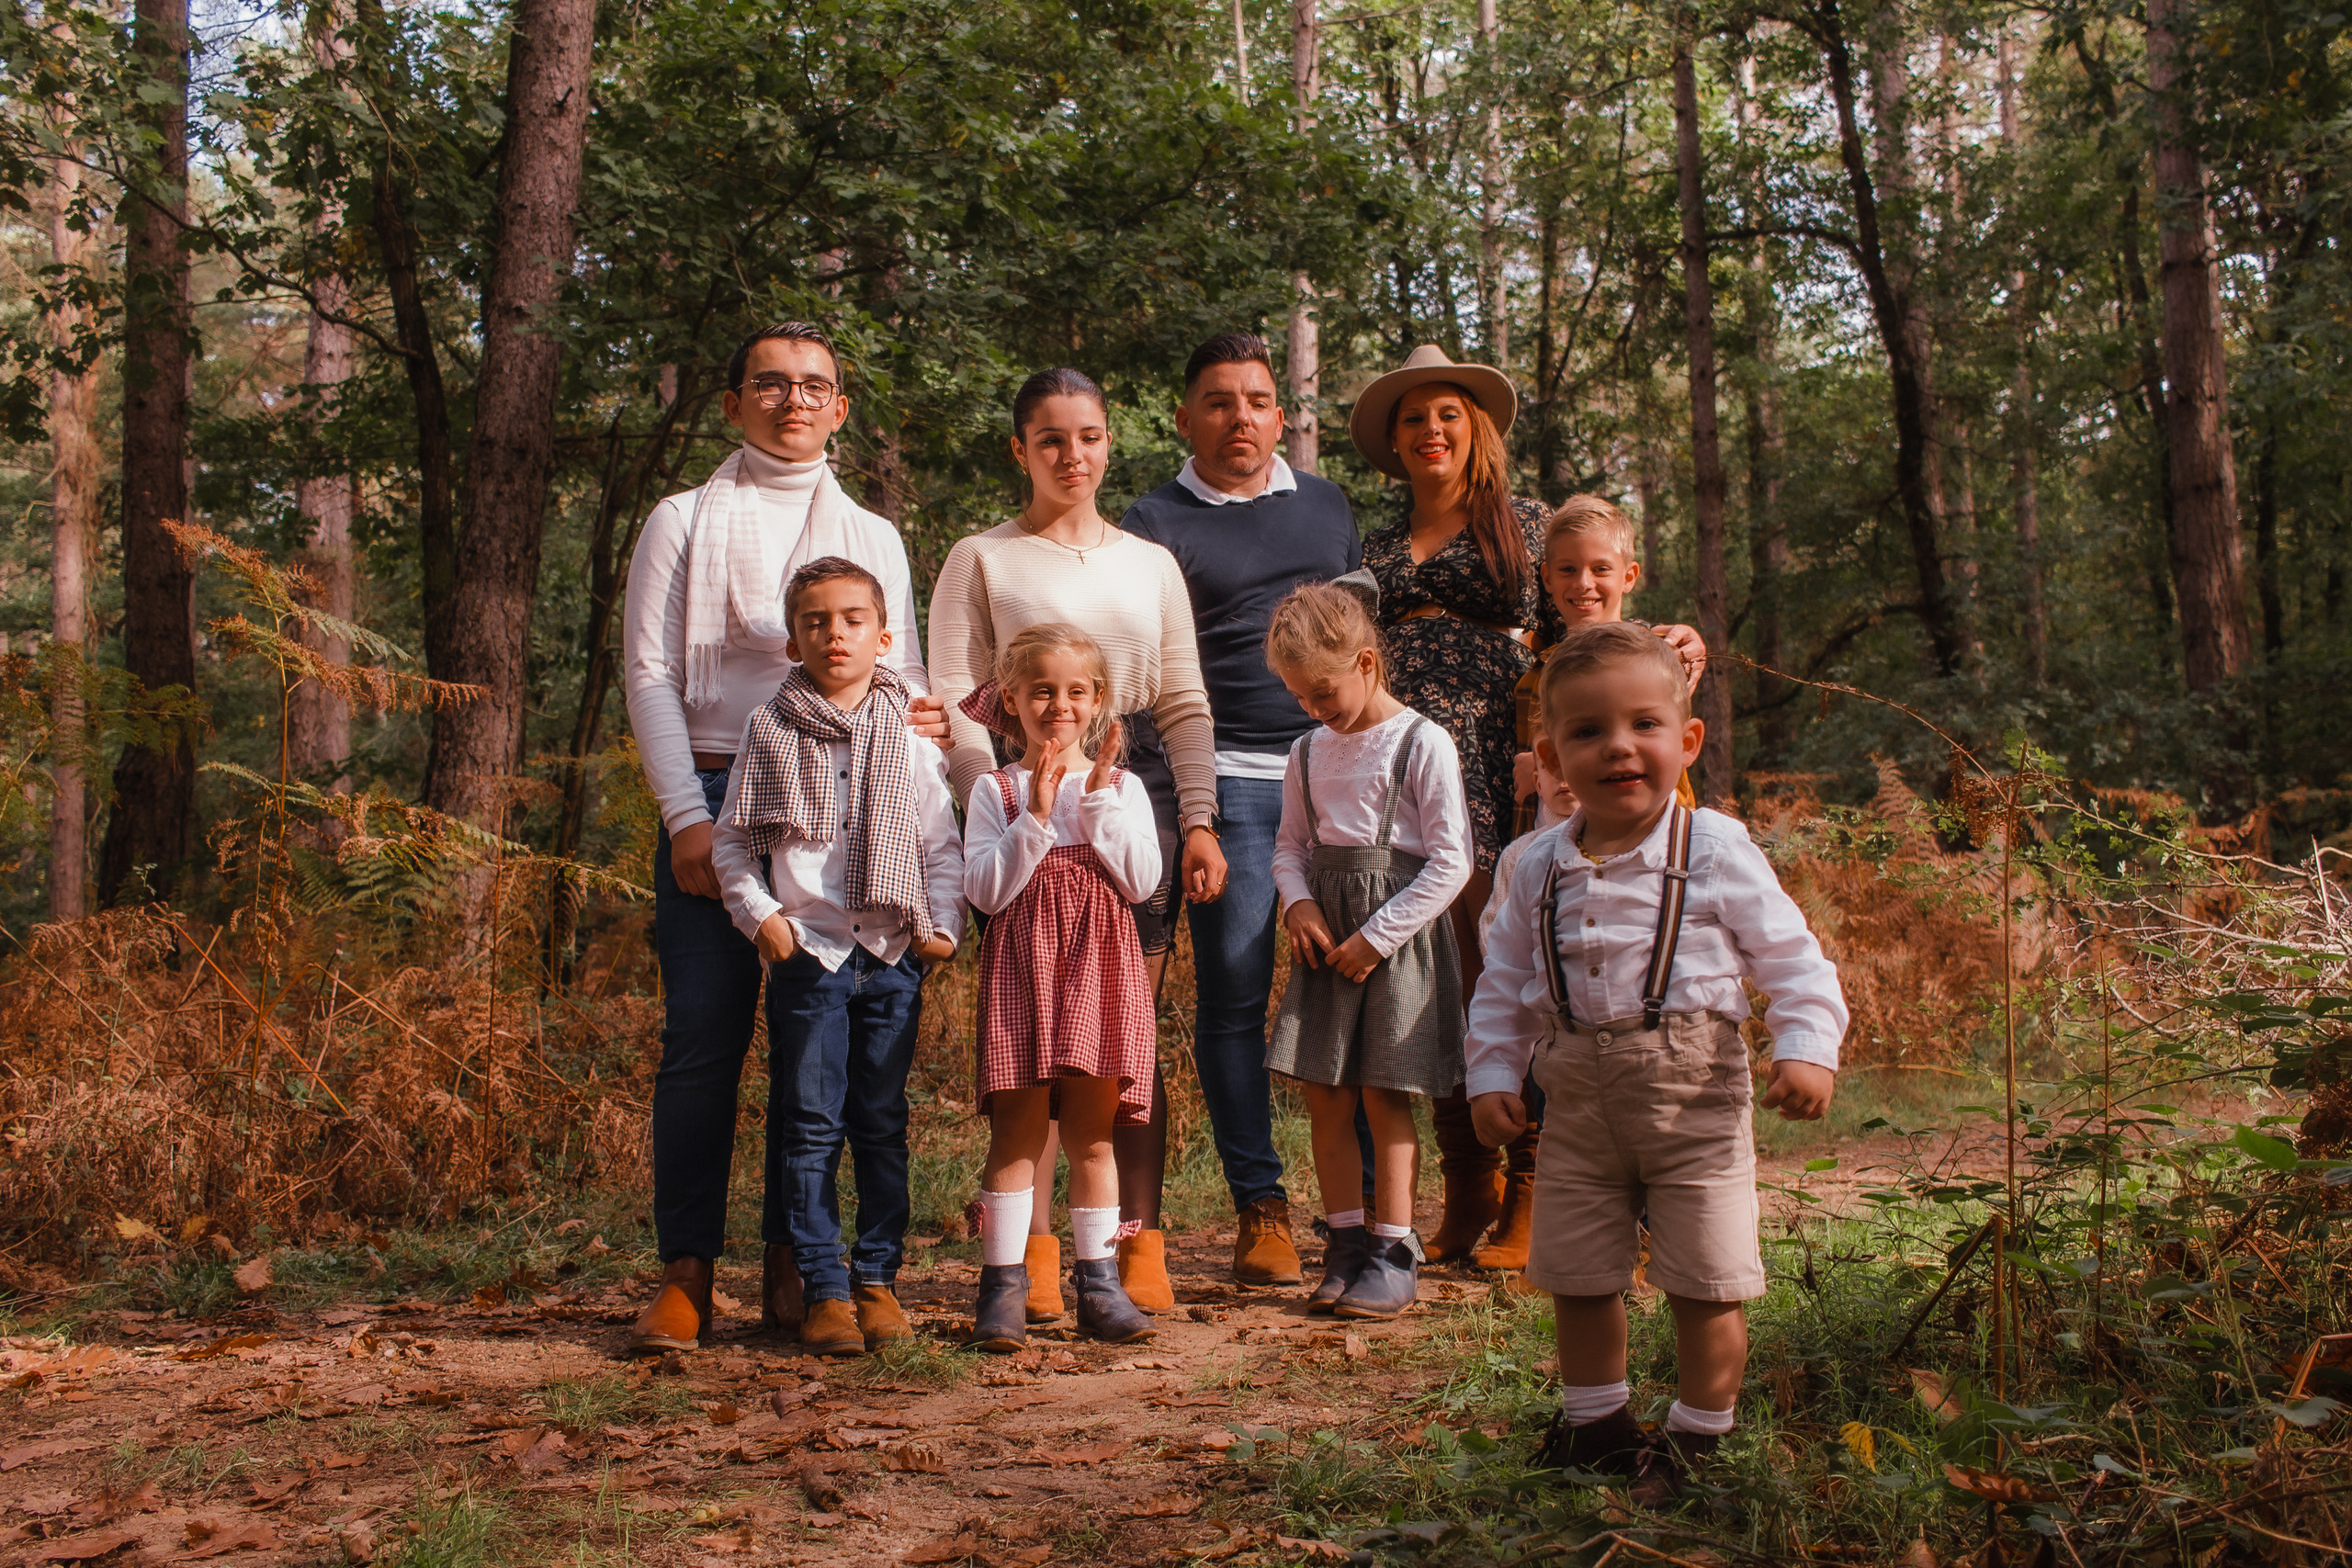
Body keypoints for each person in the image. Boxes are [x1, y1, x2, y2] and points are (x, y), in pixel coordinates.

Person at [622, 321, 949, 1355]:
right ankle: (686, 1271)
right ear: (734, 403)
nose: (793, 398)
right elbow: (650, 675)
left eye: (814, 385)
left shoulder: (873, 534)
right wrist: (686, 813)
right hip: (721, 788)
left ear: (839, 408)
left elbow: (902, 675)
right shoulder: (682, 519)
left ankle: (797, 1266)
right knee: (704, 1042)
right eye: (770, 382)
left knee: (817, 1053)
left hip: (850, 805)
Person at [1465, 623, 1847, 1494]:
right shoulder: (1535, 864)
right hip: (1576, 1104)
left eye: (1644, 724)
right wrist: (1490, 1074)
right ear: (1552, 756)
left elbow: (1793, 959)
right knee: (1578, 1272)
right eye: (1588, 730)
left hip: (1693, 1096)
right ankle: (1597, 1426)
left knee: (1706, 1275)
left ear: (1689, 739)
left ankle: (1699, 1439)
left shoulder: (1712, 846)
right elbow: (1505, 982)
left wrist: (1805, 1046)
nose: (1619, 746)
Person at [929, 368, 1225, 1319]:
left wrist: (1199, 817)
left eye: (1088, 436)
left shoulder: (1150, 562)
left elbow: (1182, 699)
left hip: (1128, 795)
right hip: (1023, 805)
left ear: (1109, 441)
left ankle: (1131, 1249)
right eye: (1050, 439)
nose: (1072, 455)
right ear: (1020, 449)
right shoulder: (983, 556)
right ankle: (1032, 1262)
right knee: (1033, 1044)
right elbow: (955, 695)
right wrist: (1010, 802)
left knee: (1112, 1033)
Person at [1119, 333, 1364, 1290]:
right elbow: (1145, 665)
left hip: (1332, 774)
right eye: (1218, 402)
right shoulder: (1153, 521)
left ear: (1281, 416)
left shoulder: (1327, 506)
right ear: (1186, 418)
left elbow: (1364, 636)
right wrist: (1192, 809)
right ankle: (1260, 1210)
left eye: (1257, 401)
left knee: (1352, 988)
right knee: (1232, 994)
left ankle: (1365, 1215)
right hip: (1223, 779)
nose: (1240, 419)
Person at [707, 558, 964, 1358]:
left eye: (853, 619)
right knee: (811, 1126)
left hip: (891, 951)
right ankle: (823, 1288)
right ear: (793, 641)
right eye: (815, 621)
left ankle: (878, 1281)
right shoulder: (769, 728)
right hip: (810, 953)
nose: (834, 634)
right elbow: (733, 842)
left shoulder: (911, 732)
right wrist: (763, 919)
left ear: (884, 637)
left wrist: (944, 925)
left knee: (882, 1122)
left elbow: (940, 842)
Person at [1348, 344, 1555, 1267]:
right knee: (1431, 975)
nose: (1431, 429)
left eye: (1448, 415)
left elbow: (1581, 620)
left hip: (1498, 760)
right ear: (1394, 442)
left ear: (1475, 431)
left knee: (1503, 967)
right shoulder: (1373, 547)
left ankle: (1533, 1182)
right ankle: (1469, 1182)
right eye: (1413, 418)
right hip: (1402, 769)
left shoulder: (1528, 524)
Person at [1477, 494, 1709, 1278]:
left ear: (1629, 575)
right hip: (1559, 865)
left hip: (1645, 864)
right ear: (1545, 578)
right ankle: (1547, 1199)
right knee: (1558, 1019)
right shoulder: (1530, 672)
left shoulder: (1662, 655)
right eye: (1567, 570)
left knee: (1647, 1020)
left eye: (1600, 569)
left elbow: (1674, 746)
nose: (1584, 584)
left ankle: (1659, 1213)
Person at [1262, 583, 1471, 1320]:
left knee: (1385, 1093)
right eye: (1299, 696)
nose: (1313, 709)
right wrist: (1300, 902)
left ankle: (1393, 1248)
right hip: (1327, 942)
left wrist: (1377, 938)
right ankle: (1345, 1244)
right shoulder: (1305, 751)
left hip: (1394, 941)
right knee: (1325, 1093)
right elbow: (1290, 847)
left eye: (1323, 692)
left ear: (1367, 662)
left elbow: (1452, 861)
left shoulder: (1422, 742)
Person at [961, 624, 1164, 1350]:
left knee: (1093, 1136)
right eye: (1041, 690)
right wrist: (1038, 817)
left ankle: (1100, 1285)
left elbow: (1142, 882)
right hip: (1025, 973)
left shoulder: (1123, 788)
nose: (1058, 704)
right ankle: (1003, 1286)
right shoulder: (995, 789)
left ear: (1098, 700)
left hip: (1100, 974)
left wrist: (1098, 802)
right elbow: (985, 891)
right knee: (1017, 1131)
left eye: (1076, 691)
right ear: (1012, 699)